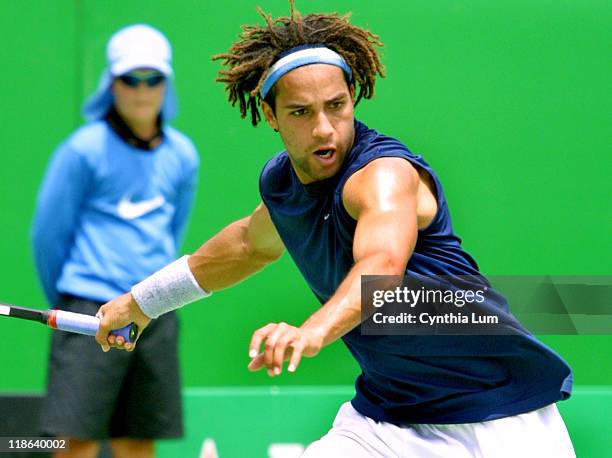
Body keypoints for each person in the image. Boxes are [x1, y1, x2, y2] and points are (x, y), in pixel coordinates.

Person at [95, 3, 575, 457]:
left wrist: (311, 333)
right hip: (387, 421)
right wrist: (142, 303)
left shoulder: (384, 175)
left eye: (336, 106)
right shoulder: (284, 188)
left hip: (499, 419)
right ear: (271, 116)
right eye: (301, 112)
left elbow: (382, 267)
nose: (324, 128)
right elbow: (246, 245)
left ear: (353, 98)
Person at [32, 24, 199, 458]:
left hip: (154, 310)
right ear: (112, 84)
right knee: (77, 441)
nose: (142, 90)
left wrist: (149, 293)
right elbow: (48, 237)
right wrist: (75, 301)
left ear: (167, 83)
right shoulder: (83, 150)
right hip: (88, 309)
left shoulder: (183, 155)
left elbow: (173, 230)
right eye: (130, 79)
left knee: (138, 440)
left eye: (153, 79)